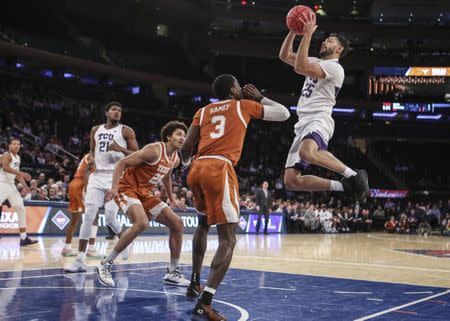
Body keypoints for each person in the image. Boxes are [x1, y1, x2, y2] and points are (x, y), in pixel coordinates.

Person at [181, 74, 290, 320]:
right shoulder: (244, 105)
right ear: (233, 89)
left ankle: (195, 282)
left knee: (202, 223)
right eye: (240, 86)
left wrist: (190, 165)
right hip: (219, 168)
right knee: (228, 240)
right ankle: (205, 302)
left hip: (196, 168)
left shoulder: (203, 110)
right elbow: (284, 113)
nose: (242, 89)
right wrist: (259, 97)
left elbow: (186, 148)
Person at [279, 12, 368, 201]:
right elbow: (284, 55)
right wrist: (294, 31)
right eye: (324, 40)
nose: (324, 42)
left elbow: (300, 67)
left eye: (329, 41)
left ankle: (353, 175)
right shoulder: (315, 61)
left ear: (339, 49)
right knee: (291, 181)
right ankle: (343, 186)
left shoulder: (336, 68)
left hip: (319, 118)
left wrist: (308, 34)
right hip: (303, 123)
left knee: (307, 152)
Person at [96, 121, 190, 287]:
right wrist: (114, 188)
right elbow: (121, 163)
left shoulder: (175, 159)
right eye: (178, 134)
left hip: (145, 193)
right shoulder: (153, 150)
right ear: (169, 137)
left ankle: (172, 272)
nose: (182, 137)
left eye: (184, 135)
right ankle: (105, 264)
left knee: (177, 223)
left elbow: (166, 176)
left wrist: (172, 198)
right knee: (141, 223)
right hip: (127, 188)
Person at [65, 102, 138, 273]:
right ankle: (80, 259)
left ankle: (124, 241)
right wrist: (91, 158)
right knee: (88, 215)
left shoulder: (126, 131)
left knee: (111, 218)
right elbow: (92, 149)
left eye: (119, 110)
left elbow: (137, 155)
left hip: (116, 177)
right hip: (97, 177)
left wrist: (120, 148)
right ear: (106, 112)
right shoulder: (95, 130)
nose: (117, 112)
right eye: (113, 109)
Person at [0, 138, 37, 246]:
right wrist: (22, 173)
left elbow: (17, 175)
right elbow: (5, 167)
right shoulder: (7, 155)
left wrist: (26, 186)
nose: (16, 146)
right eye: (14, 144)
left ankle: (23, 238)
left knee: (20, 208)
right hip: (2, 183)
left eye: (18, 144)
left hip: (11, 185)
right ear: (9, 146)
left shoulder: (18, 158)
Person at [61, 154, 100, 257]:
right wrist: (88, 189)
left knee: (74, 219)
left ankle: (67, 248)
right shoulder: (95, 156)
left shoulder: (87, 155)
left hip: (73, 184)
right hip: (82, 185)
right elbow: (86, 173)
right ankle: (91, 249)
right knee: (95, 216)